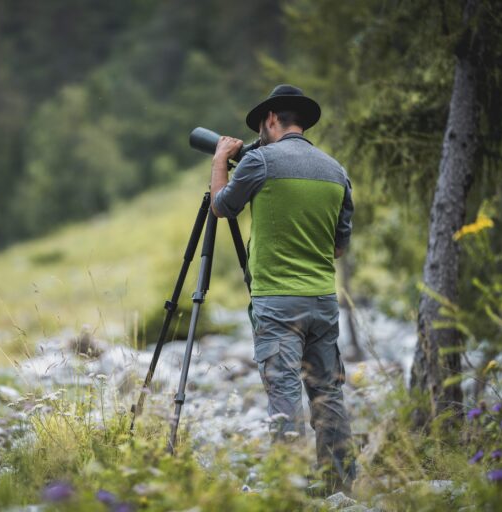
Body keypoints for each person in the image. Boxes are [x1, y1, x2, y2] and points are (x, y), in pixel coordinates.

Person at [210, 84, 356, 492]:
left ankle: (289, 486)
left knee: (285, 394)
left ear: (271, 119)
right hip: (323, 302)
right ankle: (340, 485)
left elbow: (221, 205)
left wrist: (222, 157)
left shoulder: (260, 161)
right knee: (327, 392)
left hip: (277, 303)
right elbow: (339, 247)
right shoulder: (336, 171)